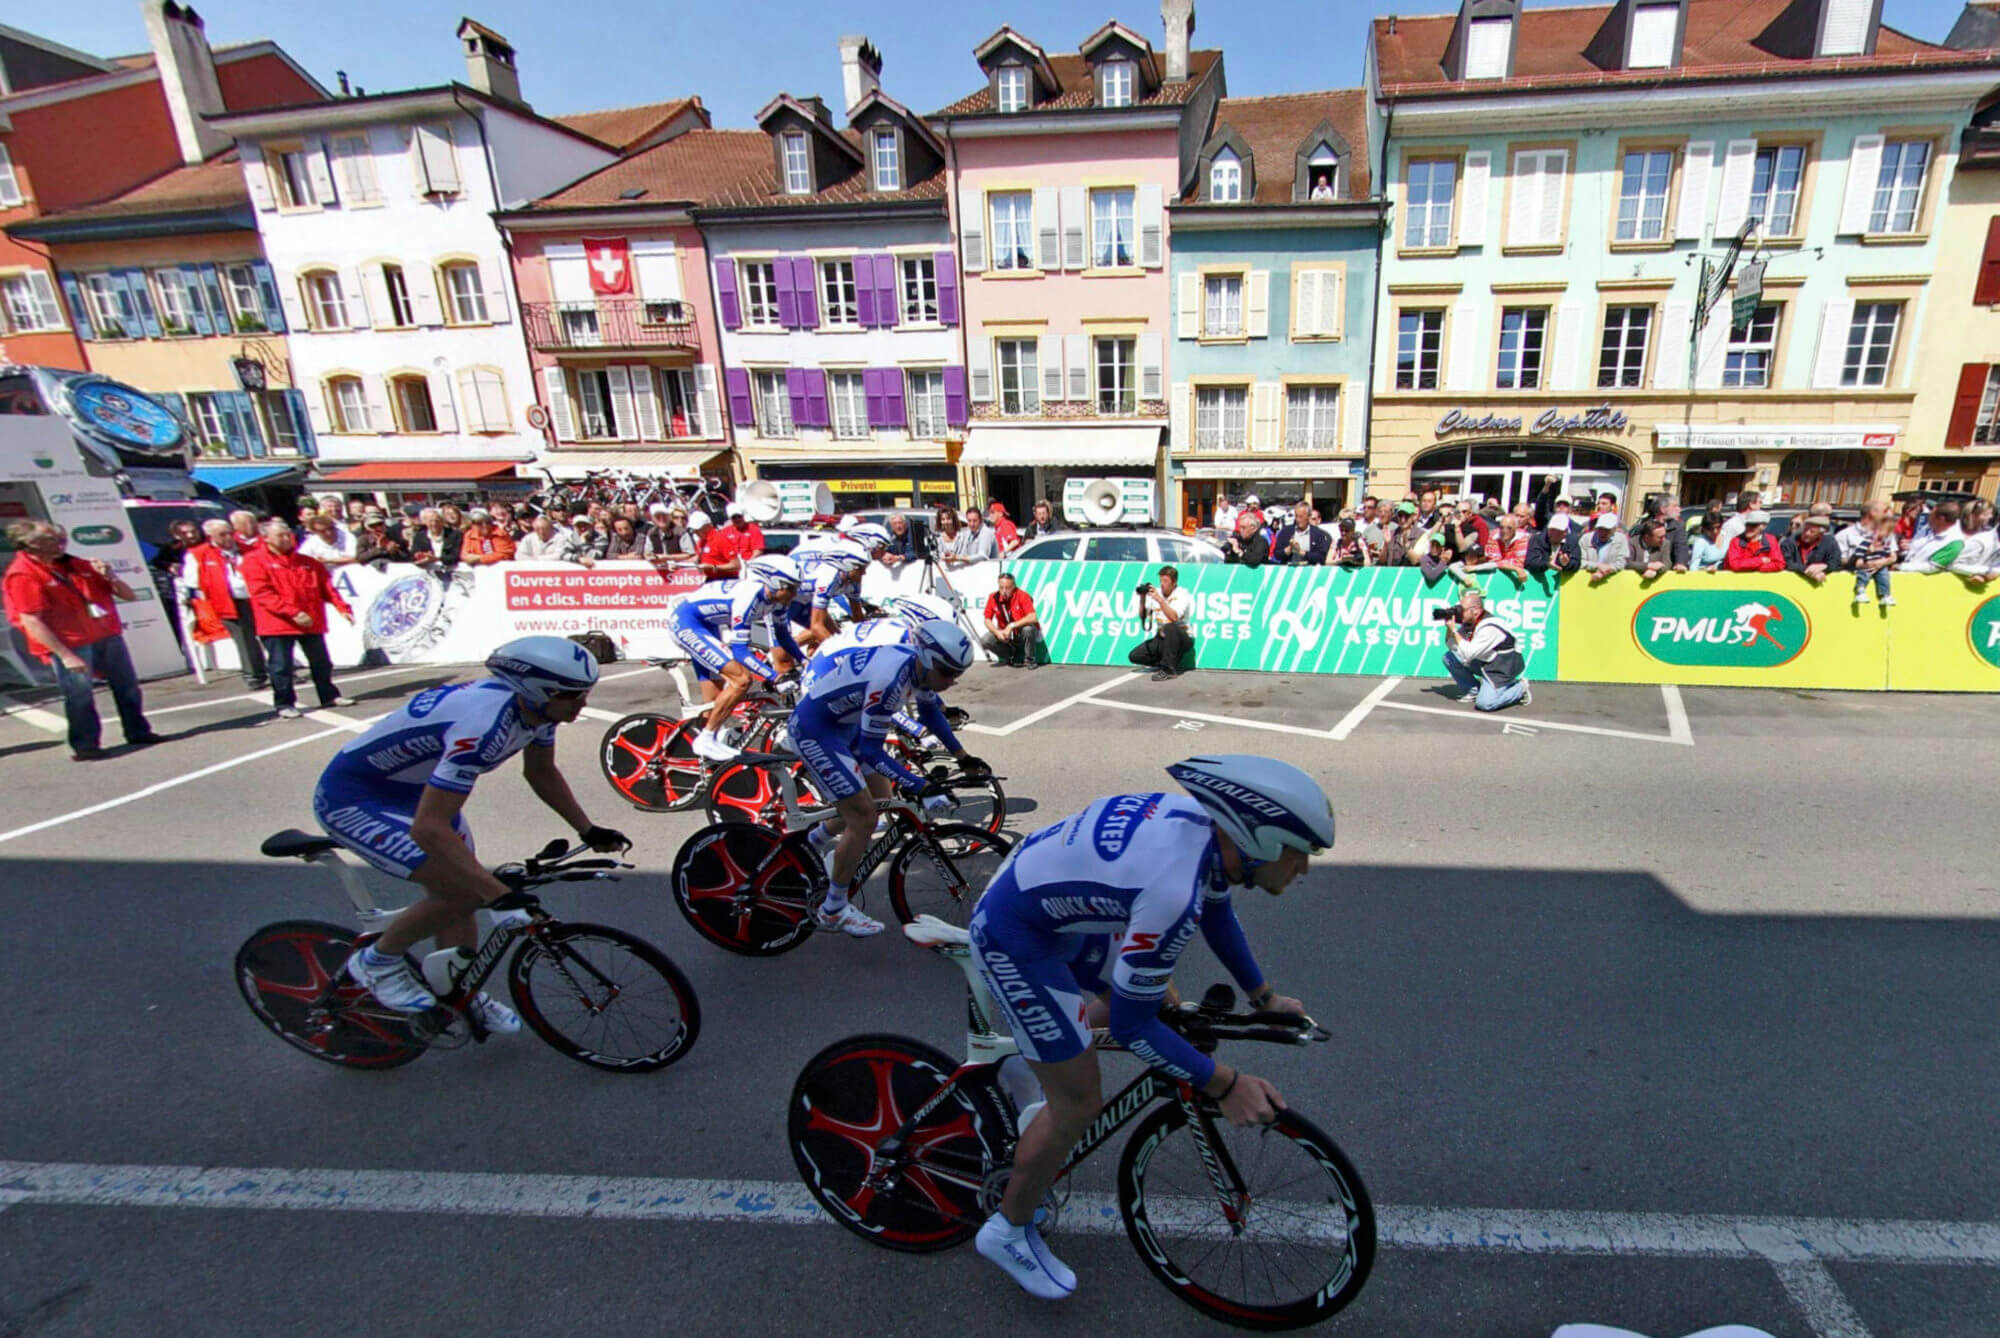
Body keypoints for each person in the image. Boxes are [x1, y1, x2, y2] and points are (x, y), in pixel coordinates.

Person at [967, 753, 1326, 1299]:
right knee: (1081, 1103)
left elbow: (1219, 912)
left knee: (1158, 1000)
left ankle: (1038, 1061)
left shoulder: (1205, 838)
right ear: (1260, 842)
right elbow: (1133, 1029)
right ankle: (1008, 1228)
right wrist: (1224, 1083)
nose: (1303, 869)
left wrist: (1263, 996)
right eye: (1300, 854)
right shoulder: (1171, 892)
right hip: (1016, 932)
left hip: (1055, 897)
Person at [322, 637, 629, 1022]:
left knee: (461, 897)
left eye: (585, 692)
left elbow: (541, 771)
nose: (582, 702)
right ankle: (377, 961)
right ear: (535, 690)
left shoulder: (539, 711)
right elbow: (428, 829)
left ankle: (457, 995)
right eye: (571, 694)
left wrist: (586, 829)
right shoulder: (484, 727)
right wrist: (498, 896)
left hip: (419, 792)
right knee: (467, 891)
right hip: (357, 798)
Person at [792, 619, 983, 936]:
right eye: (947, 673)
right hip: (818, 730)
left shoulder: (917, 666)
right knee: (864, 818)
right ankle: (833, 909)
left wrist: (963, 757)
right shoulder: (890, 681)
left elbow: (930, 711)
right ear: (927, 659)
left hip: (842, 724)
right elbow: (871, 751)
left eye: (957, 674)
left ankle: (812, 846)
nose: (952, 682)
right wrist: (922, 787)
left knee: (880, 801)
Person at [4, 520, 162, 761]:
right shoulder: (23, 574)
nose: (61, 544)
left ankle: (138, 731)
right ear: (32, 544)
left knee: (127, 686)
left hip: (106, 635)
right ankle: (85, 745)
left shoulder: (78, 564)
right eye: (53, 540)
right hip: (71, 643)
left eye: (63, 539)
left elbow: (127, 595)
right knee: (80, 695)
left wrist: (110, 577)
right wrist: (65, 655)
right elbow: (31, 621)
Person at [672, 554, 805, 762]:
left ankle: (705, 762)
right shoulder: (749, 597)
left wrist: (806, 661)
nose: (795, 593)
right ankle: (706, 739)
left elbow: (783, 636)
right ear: (774, 582)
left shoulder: (778, 599)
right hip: (687, 623)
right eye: (791, 587)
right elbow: (740, 652)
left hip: (708, 626)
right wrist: (775, 677)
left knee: (714, 702)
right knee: (741, 679)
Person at [241, 519, 355, 719]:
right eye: (280, 535)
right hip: (278, 624)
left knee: (321, 662)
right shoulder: (254, 561)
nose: (286, 538)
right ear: (266, 538)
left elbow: (327, 587)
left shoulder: (307, 562)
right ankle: (284, 703)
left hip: (310, 620)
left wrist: (342, 607)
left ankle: (329, 695)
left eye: (288, 534)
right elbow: (262, 594)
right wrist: (292, 612)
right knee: (281, 666)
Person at [182, 519, 271, 689]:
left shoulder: (247, 549)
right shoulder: (198, 554)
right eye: (223, 534)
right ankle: (254, 675)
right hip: (227, 601)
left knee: (270, 634)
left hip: (256, 597)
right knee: (244, 639)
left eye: (230, 532)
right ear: (210, 536)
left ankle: (280, 669)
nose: (229, 537)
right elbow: (193, 581)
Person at [789, 528, 886, 653]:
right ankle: (774, 657)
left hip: (806, 598)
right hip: (787, 601)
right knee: (827, 636)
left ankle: (810, 664)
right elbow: (817, 626)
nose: (864, 573)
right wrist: (843, 651)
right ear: (848, 566)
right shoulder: (828, 578)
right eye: (861, 569)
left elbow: (858, 618)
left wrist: (868, 644)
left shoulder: (854, 578)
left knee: (835, 636)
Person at [1440, 587, 1529, 711]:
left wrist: (1454, 630)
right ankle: (1473, 690)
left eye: (1461, 610)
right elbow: (1452, 646)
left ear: (1475, 610)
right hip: (1485, 662)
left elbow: (1469, 653)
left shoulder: (1490, 627)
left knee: (1485, 704)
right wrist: (1449, 629)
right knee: (1449, 657)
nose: (1459, 614)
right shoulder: (1470, 622)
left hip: (1502, 667)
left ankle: (1520, 688)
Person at [1125, 563, 1193, 680]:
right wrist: (1142, 598)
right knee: (1135, 656)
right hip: (1162, 639)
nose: (1162, 584)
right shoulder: (1157, 594)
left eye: (1166, 581)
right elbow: (1143, 616)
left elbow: (1174, 618)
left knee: (1169, 626)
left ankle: (1168, 670)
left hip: (1182, 638)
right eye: (1161, 580)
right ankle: (1166, 661)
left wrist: (1160, 600)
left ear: (1174, 582)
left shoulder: (1182, 594)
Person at [982, 570, 1043, 667]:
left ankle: (1030, 660)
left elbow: (1033, 617)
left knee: (1029, 629)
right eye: (1001, 588)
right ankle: (1008, 655)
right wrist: (997, 632)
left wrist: (1011, 626)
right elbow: (987, 619)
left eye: (1008, 588)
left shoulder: (1022, 595)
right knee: (986, 639)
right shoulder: (993, 597)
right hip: (1005, 634)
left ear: (1014, 587)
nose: (1004, 591)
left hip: (1020, 632)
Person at [1901, 499, 1966, 572]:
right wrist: (1906, 548)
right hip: (1903, 573)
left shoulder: (1955, 542)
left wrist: (1901, 567)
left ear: (1941, 519)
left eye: (1931, 515)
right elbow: (1915, 549)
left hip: (1921, 579)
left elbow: (1932, 567)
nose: (1928, 517)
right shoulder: (1927, 527)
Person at [1851, 509, 1899, 606]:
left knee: (1884, 576)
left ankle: (1885, 595)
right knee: (1864, 574)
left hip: (1880, 565)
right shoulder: (1868, 541)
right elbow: (1859, 553)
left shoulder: (1885, 542)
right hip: (1867, 562)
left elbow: (1890, 555)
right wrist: (1864, 556)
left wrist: (1882, 562)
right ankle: (1860, 590)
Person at [1781, 514, 1840, 585]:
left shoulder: (1829, 542)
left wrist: (1824, 566)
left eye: (1812, 531)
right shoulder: (1789, 542)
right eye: (1805, 530)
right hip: (1792, 583)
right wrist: (1809, 570)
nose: (1807, 533)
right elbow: (1787, 563)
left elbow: (1836, 562)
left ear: (1820, 534)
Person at [517, 511, 593, 565]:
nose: (541, 532)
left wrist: (537, 559)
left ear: (551, 528)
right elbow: (519, 556)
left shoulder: (560, 538)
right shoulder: (528, 538)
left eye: (544, 529)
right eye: (538, 529)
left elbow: (560, 555)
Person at [1270, 501, 1331, 566]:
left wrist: (1302, 553)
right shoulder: (1286, 532)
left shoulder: (1318, 534)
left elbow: (1321, 556)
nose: (1298, 519)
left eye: (1301, 517)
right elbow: (1277, 554)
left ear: (1309, 516)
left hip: (1309, 571)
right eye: (1296, 516)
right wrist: (1289, 549)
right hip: (1289, 570)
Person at [690, 511, 739, 580]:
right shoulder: (700, 542)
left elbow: (736, 565)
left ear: (708, 525)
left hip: (727, 579)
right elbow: (697, 557)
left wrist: (714, 567)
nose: (696, 532)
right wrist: (678, 565)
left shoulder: (721, 539)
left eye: (699, 529)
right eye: (695, 530)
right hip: (710, 579)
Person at [1581, 514, 1630, 582]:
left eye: (1607, 530)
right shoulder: (1586, 539)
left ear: (1614, 529)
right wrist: (1597, 566)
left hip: (1612, 583)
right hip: (1585, 581)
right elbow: (1580, 562)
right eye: (1600, 529)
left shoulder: (1621, 539)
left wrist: (1604, 572)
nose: (1603, 533)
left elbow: (1622, 563)